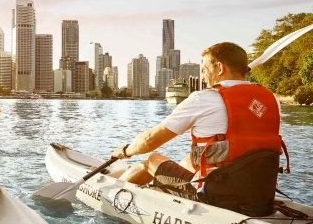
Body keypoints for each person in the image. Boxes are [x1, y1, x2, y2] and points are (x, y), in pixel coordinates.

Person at [109, 42, 283, 202]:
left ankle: (108, 192)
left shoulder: (204, 98)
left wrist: (125, 151)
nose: (203, 77)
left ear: (219, 68)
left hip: (216, 193)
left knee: (151, 160)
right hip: (258, 192)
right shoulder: (270, 100)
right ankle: (138, 180)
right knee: (186, 161)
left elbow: (149, 140)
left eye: (204, 69)